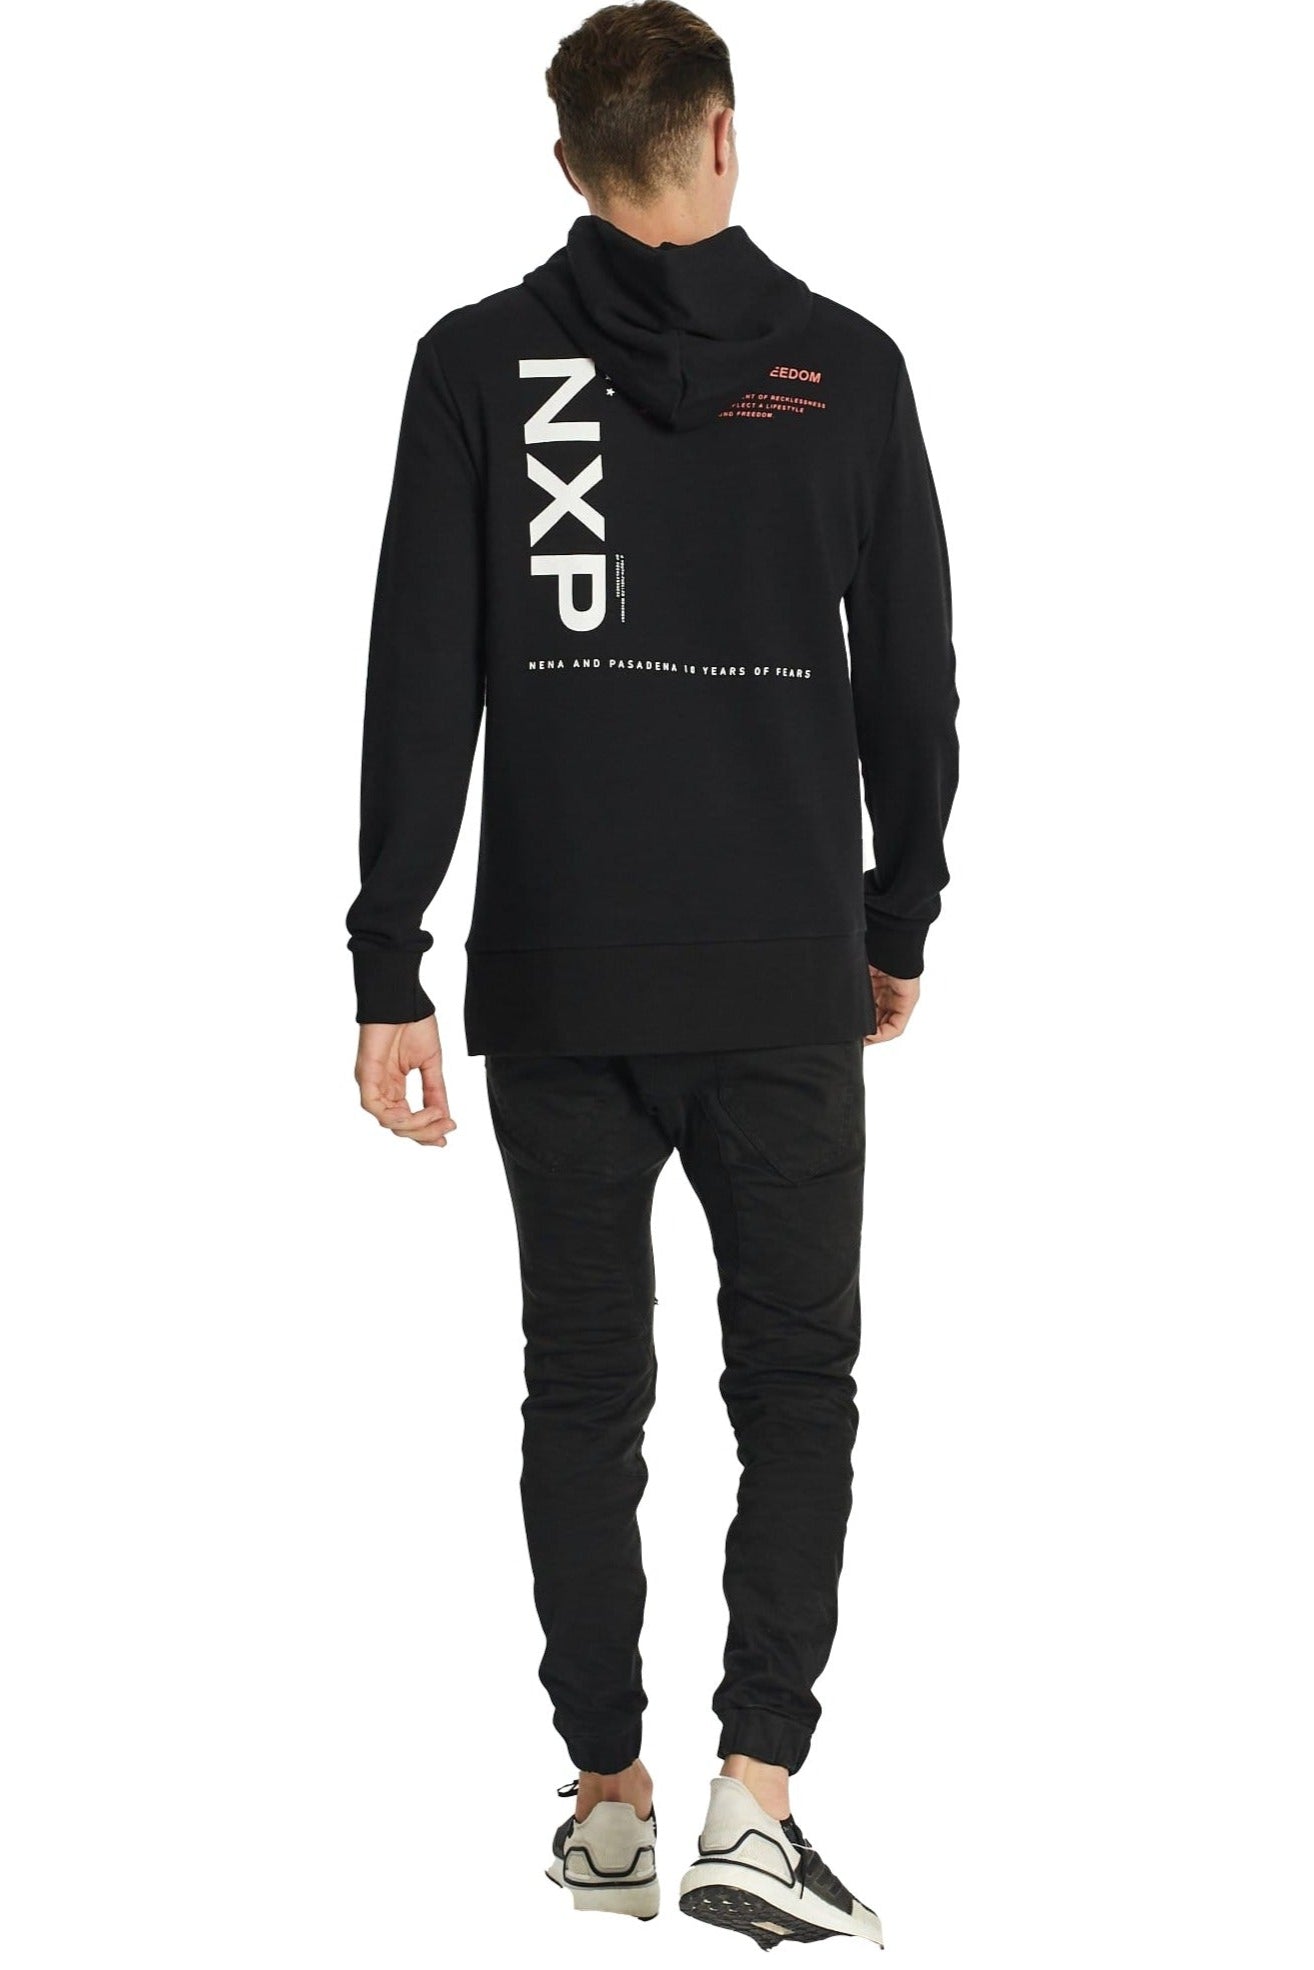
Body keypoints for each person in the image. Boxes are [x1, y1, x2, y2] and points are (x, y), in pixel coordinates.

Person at [346, 0, 957, 1944]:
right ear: (724, 132)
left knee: (581, 1387)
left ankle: (609, 1799)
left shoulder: (477, 364)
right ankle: (749, 1798)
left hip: (559, 974)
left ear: (566, 163)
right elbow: (911, 680)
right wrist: (897, 915)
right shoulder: (847, 368)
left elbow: (419, 673)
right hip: (780, 972)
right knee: (794, 1381)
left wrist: (389, 961)